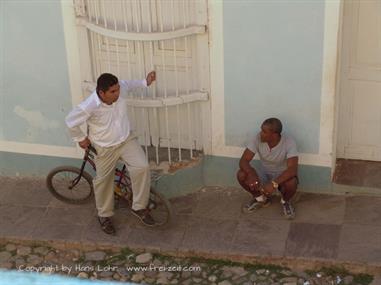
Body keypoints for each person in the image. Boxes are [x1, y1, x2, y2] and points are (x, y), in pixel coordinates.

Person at [65, 71, 156, 234]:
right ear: (101, 93)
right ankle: (104, 215)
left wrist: (145, 82)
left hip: (126, 140)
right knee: (104, 181)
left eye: (117, 90)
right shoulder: (89, 106)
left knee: (142, 167)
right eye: (113, 92)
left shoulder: (119, 89)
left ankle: (139, 207)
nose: (117, 93)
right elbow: (71, 121)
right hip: (104, 148)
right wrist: (80, 138)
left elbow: (128, 84)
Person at [237, 118, 298, 219]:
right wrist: (251, 174)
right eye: (261, 130)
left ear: (274, 135)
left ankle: (285, 202)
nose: (261, 133)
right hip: (263, 173)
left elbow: (292, 169)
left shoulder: (289, 142)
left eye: (264, 132)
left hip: (281, 175)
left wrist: (274, 184)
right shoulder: (257, 138)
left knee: (292, 182)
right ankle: (261, 199)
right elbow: (243, 160)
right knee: (242, 174)